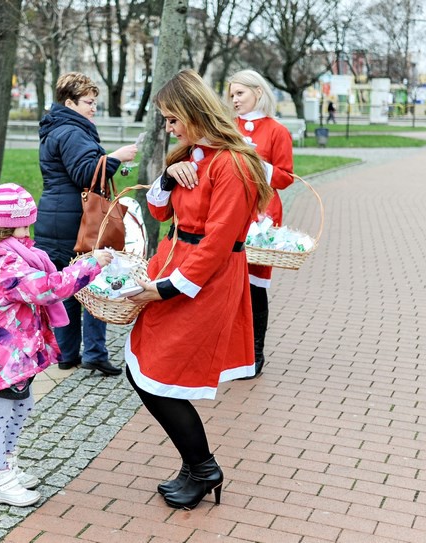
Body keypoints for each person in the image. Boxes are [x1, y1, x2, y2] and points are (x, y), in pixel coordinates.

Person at [123, 69, 273, 510]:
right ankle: (195, 465)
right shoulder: (193, 154)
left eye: (172, 118)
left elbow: (219, 241)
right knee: (145, 368)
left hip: (202, 281)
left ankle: (204, 467)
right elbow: (157, 207)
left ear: (193, 111)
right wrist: (170, 176)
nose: (168, 127)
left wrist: (167, 289)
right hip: (174, 265)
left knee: (159, 377)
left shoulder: (235, 163)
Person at [0, 183, 113, 507]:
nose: (29, 227)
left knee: (22, 406)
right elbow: (48, 288)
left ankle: (7, 464)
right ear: (13, 223)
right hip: (2, 354)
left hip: (16, 350)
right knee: (0, 415)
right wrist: (91, 264)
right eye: (26, 221)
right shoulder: (2, 262)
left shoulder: (10, 251)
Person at [35, 72, 138, 377]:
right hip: (78, 219)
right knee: (92, 279)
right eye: (89, 102)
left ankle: (67, 353)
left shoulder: (56, 128)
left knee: (65, 285)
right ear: (70, 102)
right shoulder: (73, 131)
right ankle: (94, 352)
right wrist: (116, 157)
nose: (94, 108)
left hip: (54, 216)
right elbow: (85, 173)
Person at [227, 69, 295, 378]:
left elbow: (286, 177)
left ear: (258, 91)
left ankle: (254, 353)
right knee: (228, 281)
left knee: (254, 285)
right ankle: (229, 351)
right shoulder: (227, 127)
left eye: (239, 93)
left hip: (263, 215)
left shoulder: (277, 130)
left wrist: (259, 165)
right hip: (229, 211)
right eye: (231, 95)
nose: (235, 100)